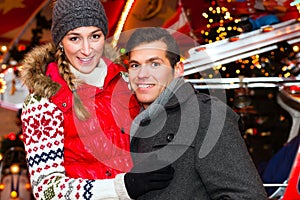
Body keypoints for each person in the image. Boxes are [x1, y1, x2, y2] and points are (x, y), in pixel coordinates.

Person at [20, 1, 174, 199]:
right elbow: (46, 190)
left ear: (104, 36)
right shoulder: (42, 103)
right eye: (75, 38)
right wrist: (121, 188)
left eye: (94, 36)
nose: (87, 50)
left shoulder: (127, 80)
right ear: (60, 42)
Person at [126, 27, 268, 199]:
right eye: (135, 65)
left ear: (178, 69)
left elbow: (248, 196)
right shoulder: (136, 122)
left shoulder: (206, 115)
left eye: (155, 64)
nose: (142, 74)